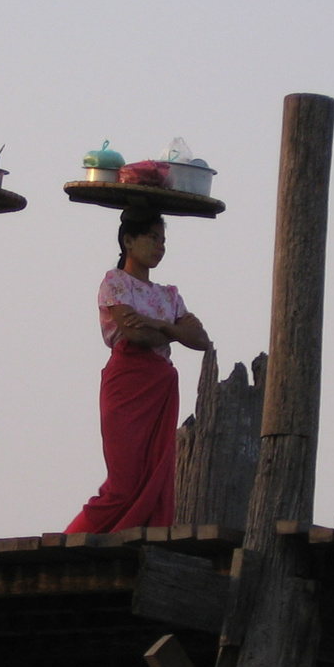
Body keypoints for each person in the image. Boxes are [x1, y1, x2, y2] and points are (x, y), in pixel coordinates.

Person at [66, 209, 210, 533]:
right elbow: (134, 334)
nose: (159, 246)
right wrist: (173, 329)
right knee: (124, 482)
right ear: (129, 241)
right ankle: (73, 540)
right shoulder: (116, 281)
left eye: (163, 240)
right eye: (152, 238)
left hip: (160, 383)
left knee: (157, 475)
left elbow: (201, 340)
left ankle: (142, 539)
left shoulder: (169, 294)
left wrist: (159, 324)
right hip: (127, 383)